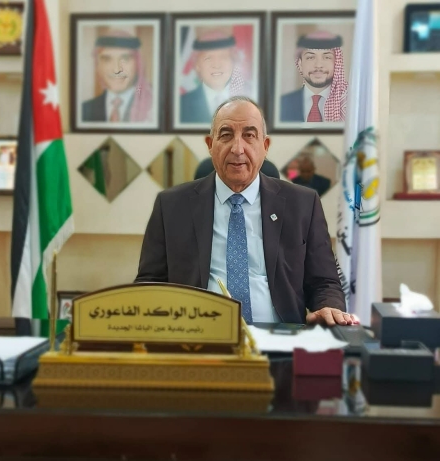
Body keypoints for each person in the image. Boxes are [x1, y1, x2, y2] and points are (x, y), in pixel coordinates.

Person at [136, 96, 357, 327]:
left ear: (265, 146)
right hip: (197, 335)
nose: (237, 148)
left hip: (280, 336)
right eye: (226, 135)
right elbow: (150, 282)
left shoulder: (303, 204)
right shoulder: (171, 206)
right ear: (210, 144)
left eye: (249, 135)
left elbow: (324, 282)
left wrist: (327, 307)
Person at [82, 30, 153, 123]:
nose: (116, 70)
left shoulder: (153, 107)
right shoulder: (84, 110)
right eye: (107, 59)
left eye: (125, 58)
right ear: (98, 66)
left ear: (138, 64)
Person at [180, 28, 248, 125]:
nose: (216, 65)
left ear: (233, 62)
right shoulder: (181, 106)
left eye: (223, 57)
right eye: (208, 58)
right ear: (197, 65)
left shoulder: (251, 101)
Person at [280, 31, 348, 123]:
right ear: (300, 64)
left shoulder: (350, 103)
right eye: (310, 58)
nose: (318, 65)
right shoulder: (282, 104)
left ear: (337, 63)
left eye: (327, 57)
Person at [194, 156, 280, 180]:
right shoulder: (205, 170)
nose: (238, 150)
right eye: (227, 135)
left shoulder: (269, 172)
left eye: (249, 135)